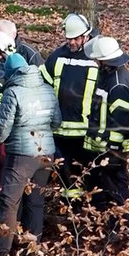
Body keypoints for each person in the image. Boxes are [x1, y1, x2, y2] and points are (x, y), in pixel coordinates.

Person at [0, 53, 62, 256]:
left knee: (9, 204)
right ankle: (32, 251)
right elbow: (56, 122)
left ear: (11, 73)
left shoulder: (13, 93)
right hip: (46, 153)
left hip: (21, 156)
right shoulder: (47, 89)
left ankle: (0, 253)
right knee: (35, 201)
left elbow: (2, 128)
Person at [40, 13, 98, 207]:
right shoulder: (57, 57)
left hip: (85, 131)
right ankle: (71, 214)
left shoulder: (96, 59)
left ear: (86, 36)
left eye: (75, 38)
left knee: (86, 173)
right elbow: (43, 84)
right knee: (66, 174)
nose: (71, 42)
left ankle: (87, 213)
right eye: (68, 38)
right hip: (60, 128)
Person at [82, 36, 129, 214]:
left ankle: (120, 229)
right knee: (99, 185)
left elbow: (122, 119)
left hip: (113, 148)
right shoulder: (109, 74)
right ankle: (105, 223)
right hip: (103, 145)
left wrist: (112, 146)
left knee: (115, 189)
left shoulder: (118, 83)